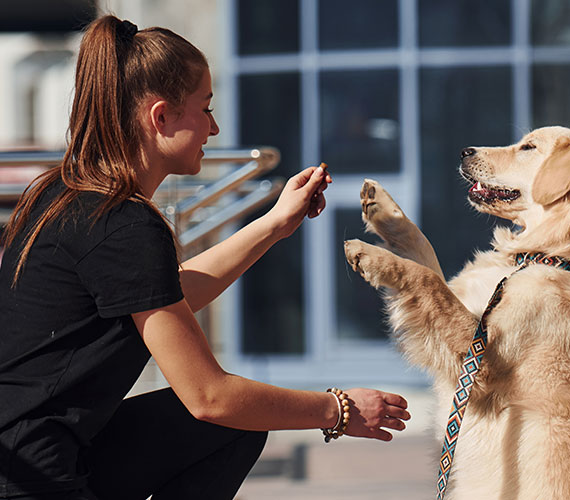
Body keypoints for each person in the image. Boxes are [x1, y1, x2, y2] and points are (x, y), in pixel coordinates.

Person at [0, 15, 410, 500]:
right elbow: (208, 397)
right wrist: (339, 409)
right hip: (31, 476)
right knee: (232, 414)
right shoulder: (122, 223)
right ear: (161, 117)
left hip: (44, 448)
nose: (214, 128)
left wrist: (274, 224)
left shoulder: (66, 194)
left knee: (239, 424)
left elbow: (165, 296)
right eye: (205, 108)